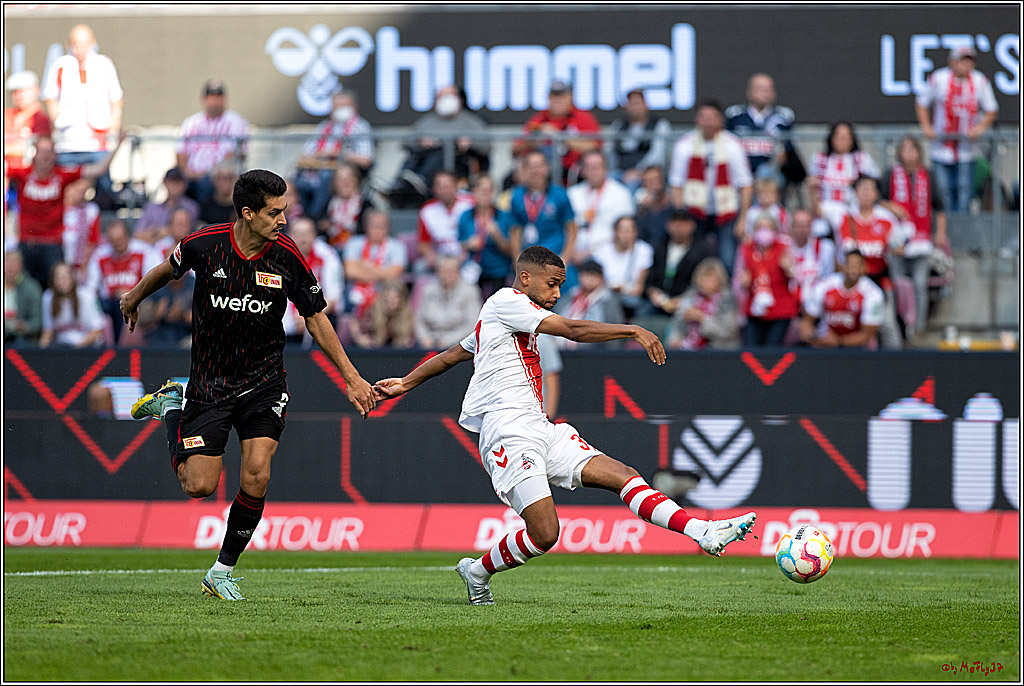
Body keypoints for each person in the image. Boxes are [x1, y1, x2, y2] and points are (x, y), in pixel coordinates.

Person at [373, 246, 756, 605]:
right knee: (545, 533)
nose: (557, 293)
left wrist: (406, 383)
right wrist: (633, 330)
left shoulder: (499, 319)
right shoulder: (507, 302)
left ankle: (702, 533)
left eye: (560, 285)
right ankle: (477, 571)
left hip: (541, 428)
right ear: (525, 278)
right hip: (508, 432)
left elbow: (453, 354)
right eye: (551, 283)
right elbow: (572, 330)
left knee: (624, 474)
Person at [121, 169, 377, 601]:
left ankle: (221, 571)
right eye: (274, 212)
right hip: (210, 383)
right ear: (247, 213)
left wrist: (351, 378)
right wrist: (133, 297)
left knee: (256, 474)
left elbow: (315, 317)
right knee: (198, 486)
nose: (283, 220)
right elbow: (167, 270)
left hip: (264, 381)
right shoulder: (206, 244)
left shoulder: (287, 256)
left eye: (285, 210)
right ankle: (171, 408)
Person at [5, 134, 123, 288]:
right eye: (42, 151)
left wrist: (118, 145)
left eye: (50, 151)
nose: (46, 156)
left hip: (53, 244)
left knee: (57, 289)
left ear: (55, 155)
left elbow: (98, 169)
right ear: (35, 154)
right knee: (22, 288)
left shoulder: (62, 175)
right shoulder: (22, 174)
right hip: (27, 243)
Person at [42, 24, 123, 207]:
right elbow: (50, 97)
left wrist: (113, 127)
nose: (81, 48)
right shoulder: (60, 65)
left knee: (104, 189)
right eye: (76, 43)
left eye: (85, 43)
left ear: (93, 43)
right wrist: (59, 120)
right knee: (64, 189)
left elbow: (116, 98)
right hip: (69, 142)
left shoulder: (104, 64)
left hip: (97, 141)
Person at [668, 99, 753, 274]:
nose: (707, 121)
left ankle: (724, 298)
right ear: (696, 119)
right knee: (694, 259)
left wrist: (743, 218)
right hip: (694, 211)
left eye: (712, 117)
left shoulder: (732, 145)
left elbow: (745, 184)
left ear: (720, 120)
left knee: (727, 259)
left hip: (726, 212)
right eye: (703, 117)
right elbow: (676, 184)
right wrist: (680, 217)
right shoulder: (684, 145)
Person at [914, 46, 999, 213]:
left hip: (967, 149)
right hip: (940, 148)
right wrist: (927, 127)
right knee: (943, 192)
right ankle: (947, 232)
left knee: (964, 192)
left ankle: (963, 232)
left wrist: (979, 128)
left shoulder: (980, 81)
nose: (965, 65)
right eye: (961, 60)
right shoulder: (939, 78)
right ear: (952, 61)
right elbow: (922, 103)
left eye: (969, 61)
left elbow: (991, 109)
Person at [880, 136, 948, 340]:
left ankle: (918, 327)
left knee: (919, 284)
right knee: (898, 284)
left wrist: (941, 233)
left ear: (919, 151)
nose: (909, 154)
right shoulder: (890, 174)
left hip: (921, 239)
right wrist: (892, 207)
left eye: (913, 149)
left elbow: (940, 207)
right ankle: (901, 324)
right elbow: (878, 200)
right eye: (905, 149)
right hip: (897, 240)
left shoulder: (927, 175)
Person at [390, 85, 489, 207]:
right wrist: (421, 142)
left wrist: (470, 143)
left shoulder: (472, 122)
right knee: (412, 158)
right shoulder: (427, 122)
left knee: (441, 152)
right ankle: (400, 184)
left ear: (460, 99)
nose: (445, 100)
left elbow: (486, 146)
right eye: (441, 97)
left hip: (458, 164)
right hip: (426, 160)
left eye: (449, 96)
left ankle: (420, 181)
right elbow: (406, 142)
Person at [837, 175, 905, 349]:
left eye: (870, 189)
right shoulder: (845, 217)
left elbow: (898, 245)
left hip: (877, 279)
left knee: (887, 324)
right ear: (855, 192)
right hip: (851, 282)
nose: (866, 193)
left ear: (876, 194)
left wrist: (896, 247)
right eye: (862, 188)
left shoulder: (886, 218)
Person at [293, 88, 374, 221]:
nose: (340, 110)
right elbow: (306, 154)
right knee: (298, 182)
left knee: (326, 177)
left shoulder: (360, 127)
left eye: (344, 106)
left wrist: (337, 153)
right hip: (316, 170)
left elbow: (366, 159)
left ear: (354, 107)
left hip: (342, 170)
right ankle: (300, 218)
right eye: (337, 107)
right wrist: (319, 155)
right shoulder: (324, 126)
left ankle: (314, 219)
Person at [86, 219, 163, 345]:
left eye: (121, 239)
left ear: (128, 236)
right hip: (108, 303)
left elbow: (154, 281)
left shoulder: (144, 251)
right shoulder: (100, 255)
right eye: (114, 241)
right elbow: (90, 287)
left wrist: (133, 293)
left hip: (138, 301)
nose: (118, 244)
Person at [176, 80, 250, 205]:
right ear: (204, 99)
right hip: (191, 175)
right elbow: (180, 153)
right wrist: (188, 172)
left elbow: (233, 154)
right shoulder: (192, 122)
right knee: (175, 179)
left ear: (224, 99)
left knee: (207, 185)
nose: (215, 102)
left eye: (218, 98)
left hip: (217, 176)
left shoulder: (236, 121)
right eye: (211, 98)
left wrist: (206, 173)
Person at [513, 79, 601, 185]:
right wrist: (534, 140)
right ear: (549, 98)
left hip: (575, 171)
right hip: (544, 171)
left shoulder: (583, 117)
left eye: (562, 96)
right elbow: (515, 149)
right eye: (554, 96)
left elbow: (595, 147)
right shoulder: (539, 119)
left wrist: (559, 136)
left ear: (570, 97)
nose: (558, 100)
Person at [732, 213, 798, 347]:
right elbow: (736, 282)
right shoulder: (746, 249)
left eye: (768, 227)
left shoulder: (784, 247)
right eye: (760, 227)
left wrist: (789, 269)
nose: (764, 231)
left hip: (780, 310)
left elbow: (798, 279)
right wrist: (743, 284)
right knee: (750, 351)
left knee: (772, 351)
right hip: (753, 309)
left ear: (775, 231)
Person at [642, 209, 714, 333]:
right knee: (642, 316)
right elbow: (650, 277)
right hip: (659, 302)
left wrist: (684, 298)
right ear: (668, 225)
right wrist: (652, 291)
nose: (679, 227)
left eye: (683, 223)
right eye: (675, 223)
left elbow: (704, 281)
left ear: (692, 226)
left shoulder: (702, 250)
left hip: (689, 300)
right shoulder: (660, 246)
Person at [800, 249, 883, 349]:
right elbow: (807, 320)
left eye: (857, 266)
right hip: (824, 343)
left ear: (864, 268)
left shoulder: (873, 294)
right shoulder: (824, 286)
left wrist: (839, 341)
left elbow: (867, 334)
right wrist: (812, 337)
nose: (853, 270)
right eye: (850, 265)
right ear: (843, 266)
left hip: (855, 349)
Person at [506, 151, 577, 266]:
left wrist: (565, 258)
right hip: (528, 260)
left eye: (539, 166)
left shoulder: (560, 195)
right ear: (524, 170)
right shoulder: (516, 196)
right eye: (531, 166)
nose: (536, 171)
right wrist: (516, 258)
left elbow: (572, 228)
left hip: (554, 257)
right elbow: (514, 230)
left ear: (546, 168)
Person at [807, 121, 880, 234]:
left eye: (846, 137)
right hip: (825, 210)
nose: (842, 140)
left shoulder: (862, 159)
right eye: (838, 136)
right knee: (818, 229)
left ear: (852, 139)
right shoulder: (819, 158)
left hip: (854, 210)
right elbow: (812, 186)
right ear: (831, 138)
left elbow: (874, 184)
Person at [282, 216, 343, 347]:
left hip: (316, 317)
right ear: (289, 236)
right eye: (298, 234)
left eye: (307, 233)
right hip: (285, 323)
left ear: (314, 235)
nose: (303, 239)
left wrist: (307, 316)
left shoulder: (327, 255)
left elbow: (333, 299)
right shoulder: (276, 257)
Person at [725, 73, 796, 182]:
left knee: (765, 173)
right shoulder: (735, 116)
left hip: (770, 175)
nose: (765, 92)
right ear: (749, 92)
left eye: (769, 88)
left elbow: (786, 152)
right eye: (760, 88)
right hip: (740, 171)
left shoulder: (782, 118)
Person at [567, 150, 635, 260]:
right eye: (589, 167)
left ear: (606, 169)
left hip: (608, 255)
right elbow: (567, 227)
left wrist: (591, 251)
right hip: (574, 253)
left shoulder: (621, 194)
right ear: (583, 170)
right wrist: (571, 250)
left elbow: (625, 231)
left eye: (597, 167)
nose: (594, 172)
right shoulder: (572, 193)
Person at [342, 210, 408, 318]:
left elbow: (394, 274)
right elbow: (350, 272)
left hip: (385, 289)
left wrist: (366, 266)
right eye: (374, 226)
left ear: (387, 228)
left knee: (394, 295)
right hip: (357, 288)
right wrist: (382, 272)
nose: (377, 230)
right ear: (366, 227)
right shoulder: (354, 243)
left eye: (381, 226)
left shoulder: (397, 246)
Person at [458, 175, 514, 299]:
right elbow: (460, 243)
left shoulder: (503, 216)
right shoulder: (466, 216)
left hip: (498, 271)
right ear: (474, 191)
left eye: (489, 190)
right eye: (481, 189)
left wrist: (497, 236)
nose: (485, 193)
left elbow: (511, 250)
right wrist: (468, 244)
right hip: (473, 269)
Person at [667, 256, 740, 350]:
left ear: (719, 280)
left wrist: (702, 319)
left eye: (709, 278)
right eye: (701, 277)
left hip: (718, 351)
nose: (703, 282)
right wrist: (675, 339)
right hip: (687, 350)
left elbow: (728, 332)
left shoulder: (727, 300)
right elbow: (676, 324)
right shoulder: (691, 296)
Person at [607, 88, 672, 189]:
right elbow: (610, 152)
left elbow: (657, 155)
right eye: (631, 103)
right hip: (620, 173)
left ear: (646, 104)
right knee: (608, 182)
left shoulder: (659, 125)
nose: (635, 107)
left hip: (645, 174)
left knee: (632, 184)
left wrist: (638, 171)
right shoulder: (618, 126)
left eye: (638, 102)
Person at [591, 215, 654, 319]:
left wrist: (622, 288)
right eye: (623, 230)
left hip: (630, 300)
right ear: (615, 232)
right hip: (605, 297)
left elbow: (639, 288)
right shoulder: (602, 251)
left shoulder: (643, 250)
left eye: (630, 231)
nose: (627, 235)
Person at [414, 254, 482, 349]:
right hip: (429, 343)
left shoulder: (470, 291)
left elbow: (472, 325)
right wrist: (424, 338)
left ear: (458, 271)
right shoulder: (428, 290)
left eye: (452, 271)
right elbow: (419, 320)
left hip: (458, 346)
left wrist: (448, 341)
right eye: (444, 271)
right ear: (438, 272)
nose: (448, 274)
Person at [555, 259, 624, 350]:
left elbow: (614, 329)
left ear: (601, 278)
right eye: (586, 275)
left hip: (593, 347)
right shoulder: (571, 295)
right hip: (561, 342)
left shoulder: (608, 299)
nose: (590, 279)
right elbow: (557, 316)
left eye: (594, 275)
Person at [416, 169, 474, 274]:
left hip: (466, 256)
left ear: (456, 186)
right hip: (440, 257)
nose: (444, 190)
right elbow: (423, 244)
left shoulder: (470, 204)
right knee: (419, 267)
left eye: (448, 186)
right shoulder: (427, 210)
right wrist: (430, 256)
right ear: (434, 189)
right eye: (440, 186)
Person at [40, 260, 105, 348]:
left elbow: (97, 330)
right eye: (58, 278)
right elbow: (48, 332)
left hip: (88, 348)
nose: (62, 281)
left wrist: (76, 349)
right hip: (62, 347)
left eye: (65, 277)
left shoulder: (88, 296)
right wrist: (41, 351)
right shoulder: (48, 297)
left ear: (73, 278)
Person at [134, 167, 200, 243]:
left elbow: (189, 233)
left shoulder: (191, 207)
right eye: (171, 181)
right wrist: (156, 235)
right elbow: (137, 234)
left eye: (178, 182)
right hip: (153, 249)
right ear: (165, 182)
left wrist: (164, 232)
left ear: (184, 184)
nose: (174, 186)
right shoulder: (152, 208)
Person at [322, 162, 377, 250]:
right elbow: (319, 225)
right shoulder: (328, 203)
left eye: (349, 178)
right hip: (332, 247)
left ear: (356, 180)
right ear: (334, 184)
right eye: (340, 179)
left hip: (358, 249)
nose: (345, 182)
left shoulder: (366, 204)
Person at [349, 279, 414, 349]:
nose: (391, 302)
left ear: (402, 299)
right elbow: (353, 322)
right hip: (374, 351)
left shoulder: (407, 315)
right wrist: (359, 338)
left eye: (395, 298)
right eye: (388, 298)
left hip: (397, 353)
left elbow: (408, 339)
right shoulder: (372, 309)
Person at [4, 70, 52, 164]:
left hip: (27, 174)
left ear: (36, 91)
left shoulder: (41, 120)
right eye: (15, 92)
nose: (19, 96)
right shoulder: (6, 115)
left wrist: (7, 149)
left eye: (23, 91)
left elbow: (33, 150)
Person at [139, 272, 194, 348]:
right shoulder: (156, 285)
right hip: (161, 335)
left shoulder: (195, 285)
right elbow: (142, 321)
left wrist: (183, 315)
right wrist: (156, 313)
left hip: (187, 335)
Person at [61, 177, 101, 281]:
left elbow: (92, 241)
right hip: (59, 262)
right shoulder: (56, 209)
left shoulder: (91, 210)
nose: (81, 194)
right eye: (77, 189)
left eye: (84, 191)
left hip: (81, 265)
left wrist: (84, 267)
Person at [4, 249, 43, 345]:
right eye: (7, 262)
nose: (10, 268)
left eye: (14, 263)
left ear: (21, 266)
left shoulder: (31, 287)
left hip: (21, 338)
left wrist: (25, 326)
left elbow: (37, 320)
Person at [633, 164, 673, 248]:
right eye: (646, 181)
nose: (650, 184)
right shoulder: (641, 209)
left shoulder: (672, 206)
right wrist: (642, 210)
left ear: (662, 182)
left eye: (654, 180)